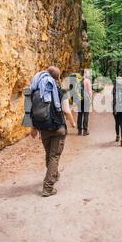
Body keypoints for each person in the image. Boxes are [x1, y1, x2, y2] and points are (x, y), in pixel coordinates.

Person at [30, 66, 76, 197]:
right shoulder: (60, 91)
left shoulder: (36, 91)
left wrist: (33, 128)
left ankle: (54, 175)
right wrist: (72, 123)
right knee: (54, 157)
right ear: (58, 78)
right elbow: (66, 110)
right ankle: (48, 188)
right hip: (58, 128)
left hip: (43, 128)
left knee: (49, 154)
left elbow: (32, 111)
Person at [112, 76, 122, 147]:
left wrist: (113, 109)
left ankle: (117, 136)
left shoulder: (114, 87)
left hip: (116, 108)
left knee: (117, 123)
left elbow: (113, 99)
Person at [77, 69, 92, 136]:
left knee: (80, 114)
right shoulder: (87, 81)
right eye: (88, 73)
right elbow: (89, 91)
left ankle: (79, 130)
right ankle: (85, 130)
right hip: (86, 98)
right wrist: (91, 99)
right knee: (86, 114)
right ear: (85, 74)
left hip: (79, 98)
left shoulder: (79, 80)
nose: (89, 74)